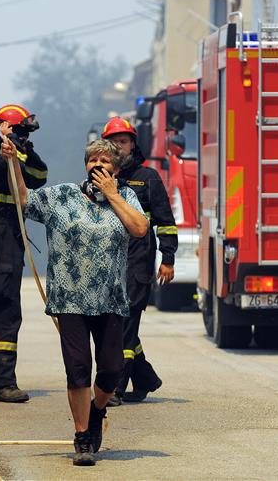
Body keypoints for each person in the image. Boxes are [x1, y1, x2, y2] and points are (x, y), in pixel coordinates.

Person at [12, 138, 148, 466]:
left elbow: (140, 229)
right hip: (70, 298)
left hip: (110, 299)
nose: (97, 166)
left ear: (116, 171)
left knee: (112, 370)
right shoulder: (63, 196)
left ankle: (97, 410)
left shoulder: (126, 197)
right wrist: (13, 162)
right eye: (92, 161)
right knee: (77, 370)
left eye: (105, 162)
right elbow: (24, 198)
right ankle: (83, 435)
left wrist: (113, 195)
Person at [0, 104, 47, 403]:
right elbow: (7, 167)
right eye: (19, 131)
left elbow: (39, 174)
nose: (22, 138)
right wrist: (11, 150)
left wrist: (20, 148)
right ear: (4, 128)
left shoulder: (17, 154)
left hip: (2, 236)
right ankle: (2, 383)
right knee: (4, 308)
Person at [101, 117, 177, 405]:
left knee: (126, 320)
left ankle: (115, 389)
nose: (118, 146)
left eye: (123, 141)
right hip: (109, 259)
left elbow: (165, 223)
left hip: (138, 260)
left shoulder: (148, 178)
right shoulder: (102, 176)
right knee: (116, 322)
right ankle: (145, 378)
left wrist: (167, 259)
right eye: (113, 142)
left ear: (133, 144)